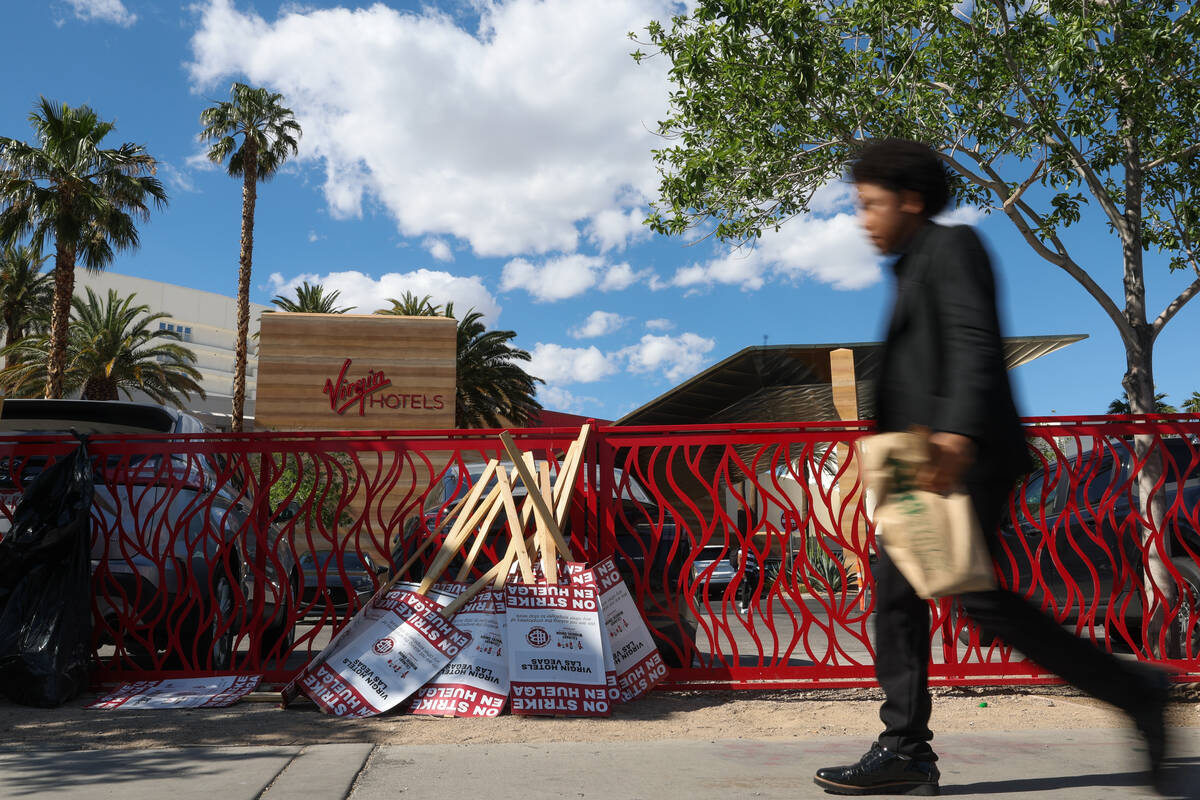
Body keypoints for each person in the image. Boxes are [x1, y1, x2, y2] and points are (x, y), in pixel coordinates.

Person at [813, 138, 1171, 797]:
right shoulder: (910, 267)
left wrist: (955, 432)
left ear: (910, 200)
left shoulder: (951, 248)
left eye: (870, 204)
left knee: (976, 599)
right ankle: (905, 749)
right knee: (899, 597)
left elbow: (976, 341)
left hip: (957, 453)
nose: (862, 219)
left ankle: (1137, 688)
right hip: (915, 458)